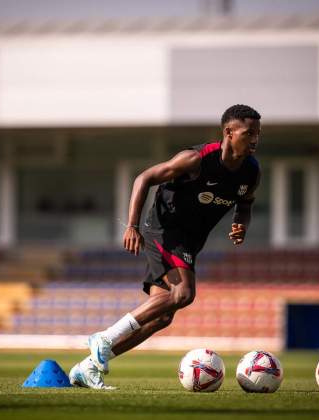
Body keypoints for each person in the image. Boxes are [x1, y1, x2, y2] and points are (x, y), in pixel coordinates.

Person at [69, 104, 262, 389]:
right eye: (249, 133)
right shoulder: (195, 160)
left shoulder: (251, 171)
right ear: (229, 132)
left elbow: (245, 205)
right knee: (183, 293)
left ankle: (87, 367)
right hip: (163, 231)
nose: (256, 138)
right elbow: (143, 178)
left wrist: (240, 223)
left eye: (258, 133)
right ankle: (105, 338)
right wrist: (132, 226)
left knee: (163, 316)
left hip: (189, 242)